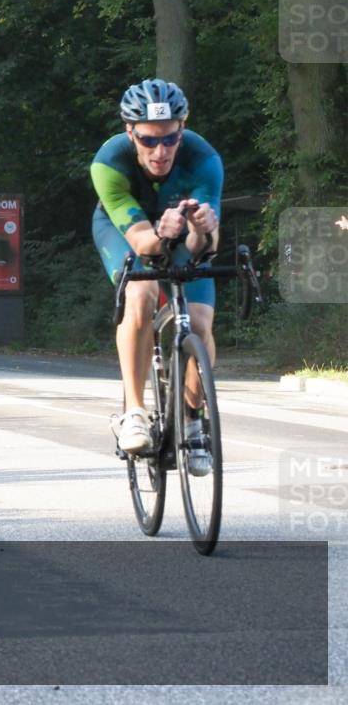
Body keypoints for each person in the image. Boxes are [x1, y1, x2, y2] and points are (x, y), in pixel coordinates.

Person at [91, 79, 221, 474]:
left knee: (198, 321)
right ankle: (134, 410)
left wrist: (202, 228)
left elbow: (206, 247)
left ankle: (193, 417)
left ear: (182, 129)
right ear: (130, 132)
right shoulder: (109, 161)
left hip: (180, 230)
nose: (160, 151)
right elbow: (144, 243)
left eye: (170, 139)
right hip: (127, 231)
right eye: (148, 140)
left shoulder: (203, 158)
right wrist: (161, 234)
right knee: (142, 292)